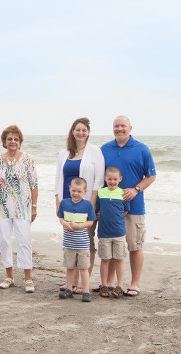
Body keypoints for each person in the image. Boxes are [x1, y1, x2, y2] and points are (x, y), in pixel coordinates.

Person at [100, 116, 157, 297]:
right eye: (116, 126)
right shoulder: (104, 149)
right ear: (112, 128)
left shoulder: (142, 149)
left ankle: (134, 283)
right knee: (109, 247)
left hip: (134, 206)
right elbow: (99, 178)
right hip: (109, 208)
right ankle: (108, 284)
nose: (119, 129)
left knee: (134, 245)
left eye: (123, 126)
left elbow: (151, 176)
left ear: (130, 128)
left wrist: (136, 189)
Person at [54, 117, 105, 292]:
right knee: (71, 242)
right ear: (72, 132)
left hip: (85, 204)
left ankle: (84, 283)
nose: (81, 133)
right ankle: (71, 282)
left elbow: (99, 180)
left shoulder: (95, 151)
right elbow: (58, 180)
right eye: (78, 130)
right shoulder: (64, 153)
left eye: (84, 130)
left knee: (86, 243)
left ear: (88, 132)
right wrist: (58, 202)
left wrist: (90, 204)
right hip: (67, 205)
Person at [0, 125, 38, 293]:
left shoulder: (27, 159)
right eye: (9, 139)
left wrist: (34, 206)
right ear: (4, 141)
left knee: (24, 240)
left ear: (20, 142)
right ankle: (9, 276)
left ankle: (28, 278)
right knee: (4, 240)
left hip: (22, 206)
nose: (13, 142)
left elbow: (34, 185)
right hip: (1, 206)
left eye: (16, 139)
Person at [57, 177, 97, 302]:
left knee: (83, 268)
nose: (76, 194)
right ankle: (69, 289)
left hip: (83, 244)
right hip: (69, 243)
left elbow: (90, 222)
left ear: (85, 192)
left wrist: (79, 226)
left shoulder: (87, 205)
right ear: (69, 189)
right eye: (74, 190)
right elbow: (61, 218)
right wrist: (65, 224)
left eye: (79, 192)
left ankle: (86, 291)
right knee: (69, 267)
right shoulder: (64, 203)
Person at [95, 167, 130, 298]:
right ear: (105, 179)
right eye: (110, 179)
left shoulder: (123, 194)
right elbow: (98, 211)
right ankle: (104, 285)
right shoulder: (101, 193)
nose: (112, 181)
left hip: (119, 232)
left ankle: (119, 286)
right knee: (105, 259)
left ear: (120, 179)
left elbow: (125, 212)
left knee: (119, 259)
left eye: (115, 179)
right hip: (104, 233)